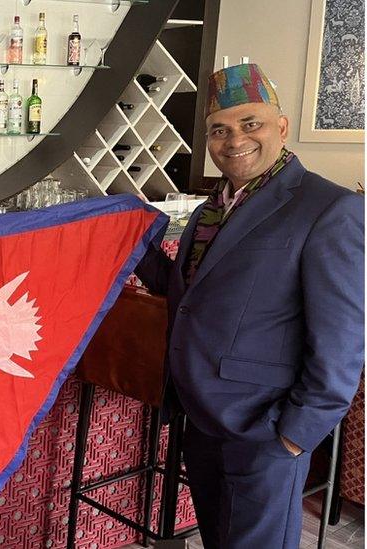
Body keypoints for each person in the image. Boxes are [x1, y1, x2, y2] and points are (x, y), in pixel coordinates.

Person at [136, 63, 365, 548]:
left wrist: (294, 436)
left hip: (265, 429)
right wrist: (132, 240)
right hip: (201, 416)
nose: (234, 139)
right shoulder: (211, 208)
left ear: (281, 127)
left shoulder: (329, 209)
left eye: (250, 123)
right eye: (220, 130)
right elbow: (190, 297)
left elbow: (342, 342)